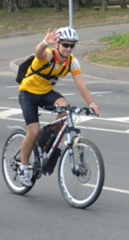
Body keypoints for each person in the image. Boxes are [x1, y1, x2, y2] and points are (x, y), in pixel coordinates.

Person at [18, 27, 100, 187]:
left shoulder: (72, 62)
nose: (68, 48)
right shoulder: (48, 55)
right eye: (65, 45)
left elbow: (81, 84)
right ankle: (24, 166)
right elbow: (38, 53)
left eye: (72, 46)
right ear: (58, 45)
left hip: (46, 92)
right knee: (33, 131)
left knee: (66, 110)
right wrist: (44, 43)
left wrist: (91, 103)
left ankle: (47, 142)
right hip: (28, 93)